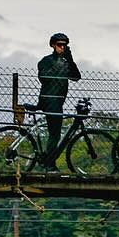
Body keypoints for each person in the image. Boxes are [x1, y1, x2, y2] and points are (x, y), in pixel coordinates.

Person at [36, 33, 81, 168]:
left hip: (58, 101)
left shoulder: (66, 63)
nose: (62, 47)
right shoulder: (46, 61)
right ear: (53, 45)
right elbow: (44, 77)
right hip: (49, 99)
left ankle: (49, 160)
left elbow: (76, 77)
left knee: (55, 133)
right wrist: (61, 64)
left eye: (64, 45)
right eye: (59, 45)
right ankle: (50, 164)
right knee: (54, 133)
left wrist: (70, 59)